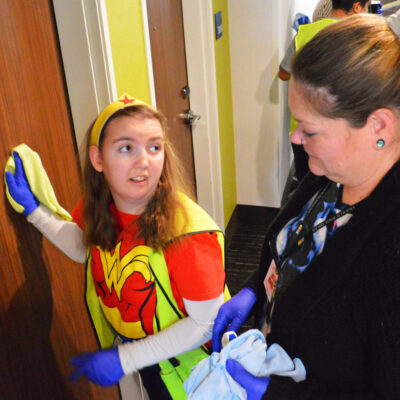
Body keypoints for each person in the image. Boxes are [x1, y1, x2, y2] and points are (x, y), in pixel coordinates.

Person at [213, 14, 400, 399]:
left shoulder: (390, 250)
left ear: (379, 127)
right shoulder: (330, 173)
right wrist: (255, 290)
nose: (296, 139)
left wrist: (277, 395)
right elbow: (293, 250)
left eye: (310, 129)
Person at [5, 95, 229, 400]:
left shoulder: (189, 236)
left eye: (155, 147)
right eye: (126, 148)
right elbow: (85, 249)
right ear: (98, 159)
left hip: (197, 368)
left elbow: (205, 324)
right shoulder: (100, 207)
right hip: (153, 357)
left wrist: (126, 359)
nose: (144, 161)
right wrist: (36, 213)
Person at [279, 0, 371, 185]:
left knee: (305, 184)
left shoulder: (305, 32)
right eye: (367, 6)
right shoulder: (363, 37)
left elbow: (283, 74)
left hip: (303, 128)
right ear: (356, 6)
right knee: (336, 188)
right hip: (343, 129)